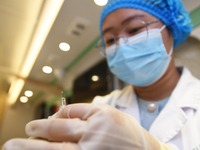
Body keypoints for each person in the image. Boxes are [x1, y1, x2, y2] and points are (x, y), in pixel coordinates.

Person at [3, 0, 200, 149]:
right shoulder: (101, 106)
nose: (121, 45)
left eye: (135, 29)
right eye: (109, 41)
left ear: (172, 30)